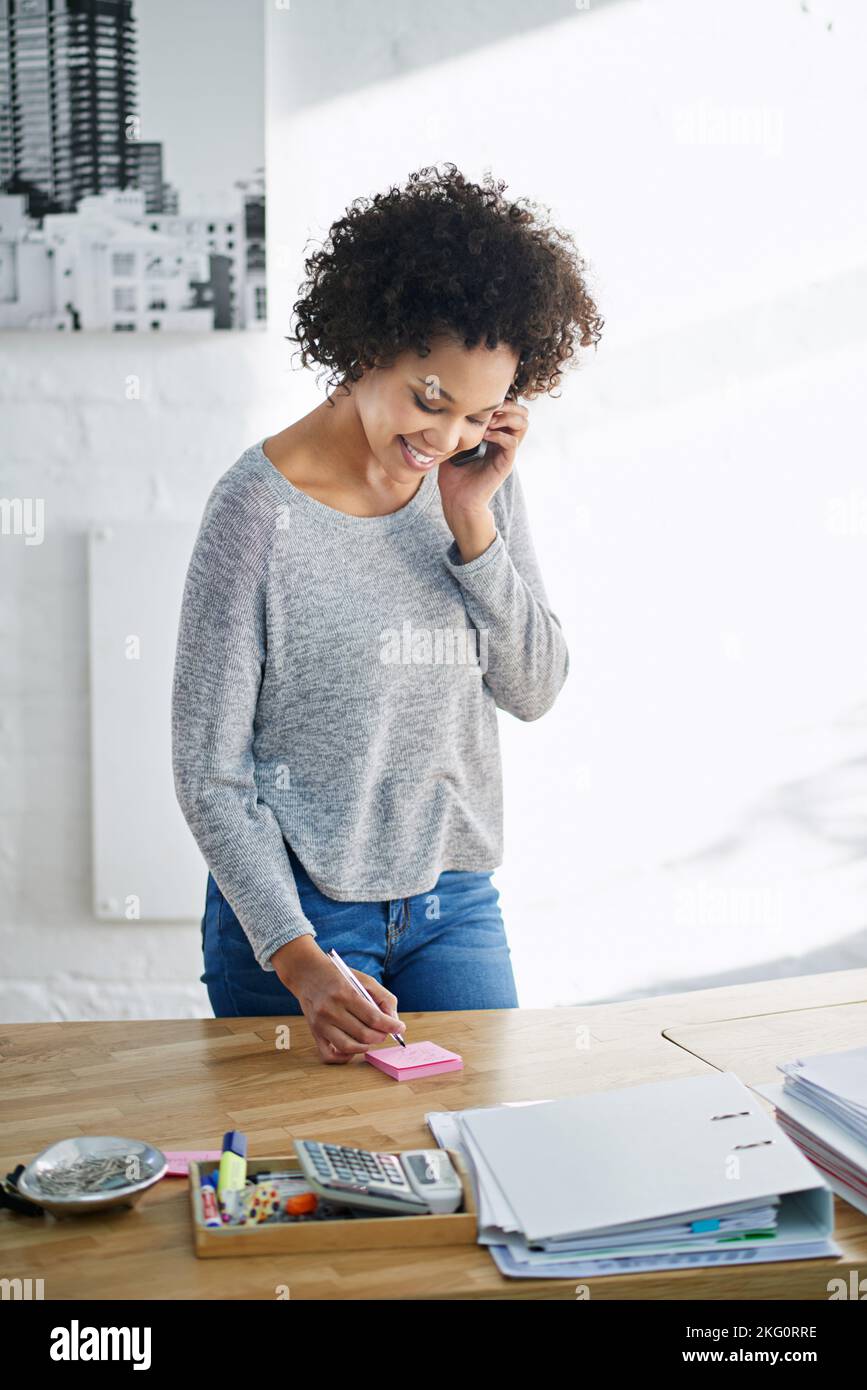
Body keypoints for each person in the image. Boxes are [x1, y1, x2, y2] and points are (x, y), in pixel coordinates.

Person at [171, 162, 602, 1064]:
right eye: (427, 399)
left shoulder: (471, 481)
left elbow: (532, 690)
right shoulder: (255, 512)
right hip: (301, 917)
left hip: (455, 900)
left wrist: (472, 520)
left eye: (480, 413)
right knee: (314, 1186)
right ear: (367, 345)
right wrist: (299, 960)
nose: (445, 438)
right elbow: (210, 774)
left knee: (488, 1165)